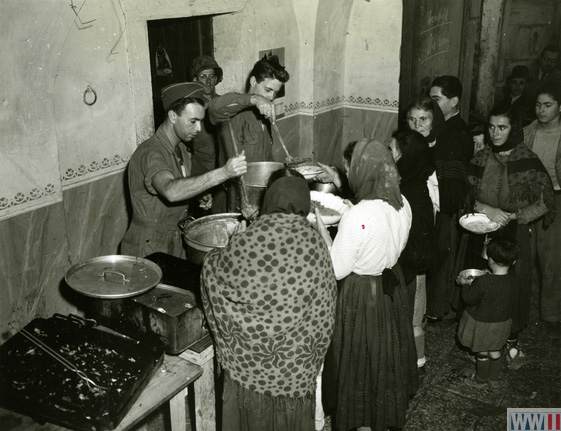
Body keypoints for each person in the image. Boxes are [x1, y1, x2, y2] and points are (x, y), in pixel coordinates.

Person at [200, 174, 337, 431]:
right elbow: (325, 309)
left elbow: (212, 270)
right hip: (294, 372)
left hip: (248, 372)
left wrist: (232, 244)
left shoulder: (248, 241)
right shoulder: (315, 244)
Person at [317, 139, 417, 431]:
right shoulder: (402, 202)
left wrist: (323, 230)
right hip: (391, 287)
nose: (348, 174)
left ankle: (363, 423)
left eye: (351, 168)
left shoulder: (358, 216)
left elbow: (336, 269)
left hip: (362, 293)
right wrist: (352, 211)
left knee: (360, 360)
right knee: (384, 357)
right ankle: (383, 415)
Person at [464, 105, 555, 370]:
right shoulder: (481, 158)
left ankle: (509, 337)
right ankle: (481, 339)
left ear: (513, 129)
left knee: (513, 284)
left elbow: (545, 200)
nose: (495, 133)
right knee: (483, 281)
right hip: (481, 228)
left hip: (513, 232)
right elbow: (467, 194)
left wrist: (514, 216)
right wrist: (485, 208)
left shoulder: (527, 159)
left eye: (502, 127)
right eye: (491, 127)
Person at [120, 82, 248, 259]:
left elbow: (179, 187)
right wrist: (224, 172)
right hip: (149, 245)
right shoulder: (151, 153)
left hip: (175, 237)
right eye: (193, 121)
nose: (199, 129)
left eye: (201, 121)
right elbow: (171, 190)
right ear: (173, 116)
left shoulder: (182, 150)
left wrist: (197, 194)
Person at [208, 57, 290, 212]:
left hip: (255, 197)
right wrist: (255, 99)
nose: (271, 97)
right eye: (267, 90)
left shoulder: (262, 114)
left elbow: (264, 159)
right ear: (253, 81)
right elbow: (214, 108)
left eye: (275, 92)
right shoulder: (233, 111)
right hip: (232, 200)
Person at [389, 128, 437, 384]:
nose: (390, 154)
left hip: (412, 267)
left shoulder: (407, 190)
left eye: (393, 150)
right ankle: (417, 363)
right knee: (415, 320)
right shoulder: (414, 181)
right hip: (418, 264)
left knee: (412, 321)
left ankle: (417, 365)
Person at [428, 76, 475, 330]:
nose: (431, 103)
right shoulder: (441, 126)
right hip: (438, 200)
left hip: (447, 203)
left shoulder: (457, 132)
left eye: (437, 99)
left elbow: (453, 176)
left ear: (454, 101)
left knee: (445, 255)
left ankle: (443, 311)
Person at [456, 238, 520, 388]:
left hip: (482, 324)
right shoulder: (515, 279)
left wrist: (464, 285)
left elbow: (469, 299)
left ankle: (480, 380)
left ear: (490, 260)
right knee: (495, 350)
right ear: (514, 262)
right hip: (503, 323)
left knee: (483, 352)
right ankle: (494, 379)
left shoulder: (482, 282)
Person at [523, 83, 561, 332]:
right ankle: (519, 311)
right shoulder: (527, 132)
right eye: (538, 104)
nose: (541, 110)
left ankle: (551, 314)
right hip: (529, 198)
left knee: (552, 260)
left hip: (557, 199)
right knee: (525, 257)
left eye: (548, 105)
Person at [188, 56, 224, 215]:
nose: (208, 81)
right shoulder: (189, 108)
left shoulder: (224, 102)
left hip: (223, 170)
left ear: (216, 79)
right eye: (203, 76)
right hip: (200, 170)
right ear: (195, 80)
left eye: (211, 76)